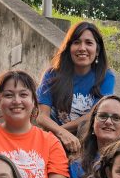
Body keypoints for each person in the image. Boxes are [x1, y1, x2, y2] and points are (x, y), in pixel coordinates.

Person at [36, 21, 115, 154]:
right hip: (55, 144)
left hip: (88, 144)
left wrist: (61, 131)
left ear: (97, 51)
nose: (82, 48)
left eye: (89, 43)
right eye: (76, 42)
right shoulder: (52, 74)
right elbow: (42, 117)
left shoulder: (106, 77)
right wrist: (60, 134)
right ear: (68, 47)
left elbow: (93, 116)